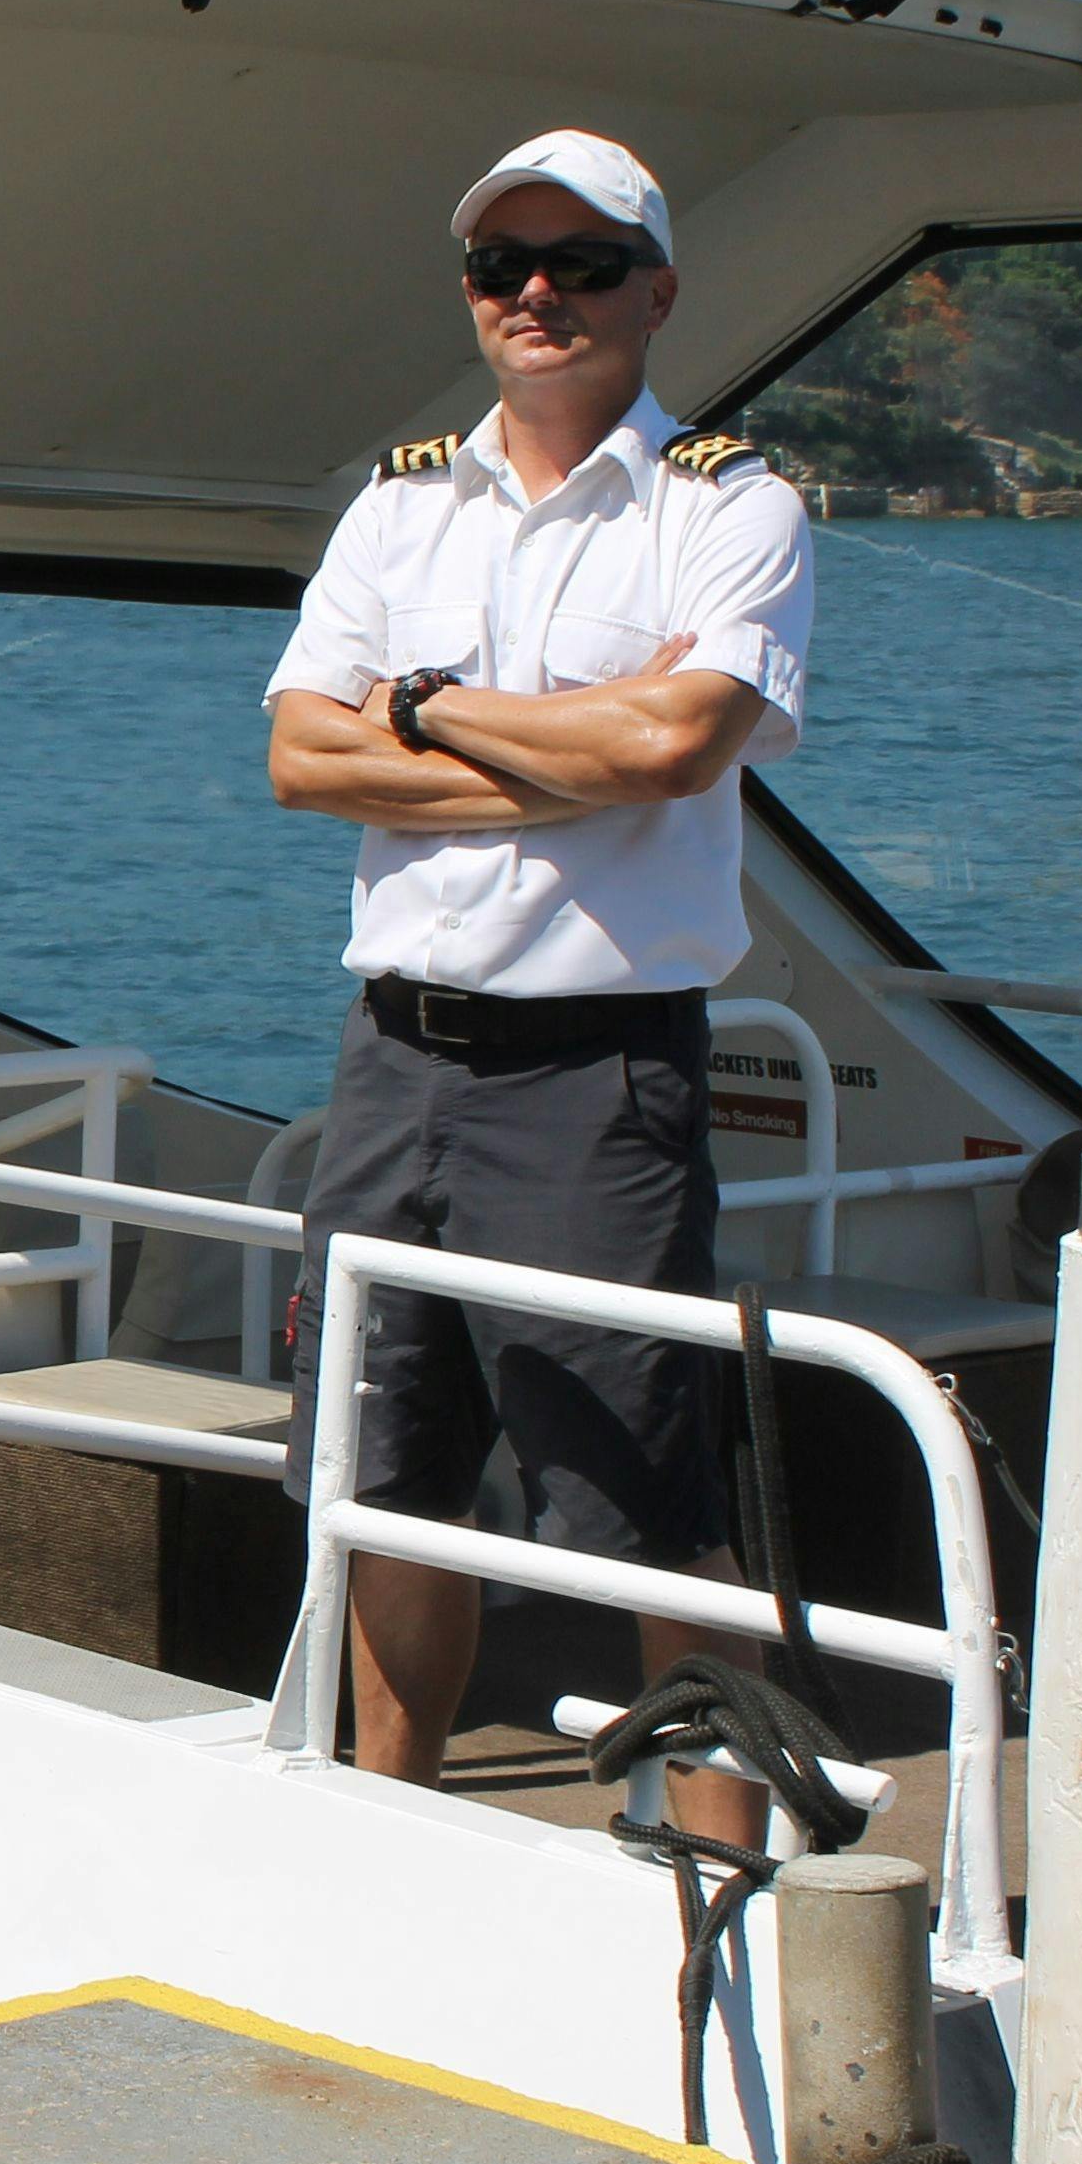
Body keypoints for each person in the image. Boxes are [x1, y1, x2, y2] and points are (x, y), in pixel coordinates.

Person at [259, 127, 810, 1845]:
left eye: (579, 264)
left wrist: (418, 709)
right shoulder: (402, 499)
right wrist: (567, 754)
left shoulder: (733, 507)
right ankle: (387, 1839)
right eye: (504, 267)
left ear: (656, 288)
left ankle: (721, 1879)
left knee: (646, 1496)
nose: (537, 296)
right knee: (384, 1484)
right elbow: (297, 755)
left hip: (596, 1087)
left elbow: (678, 741)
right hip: (394, 1071)